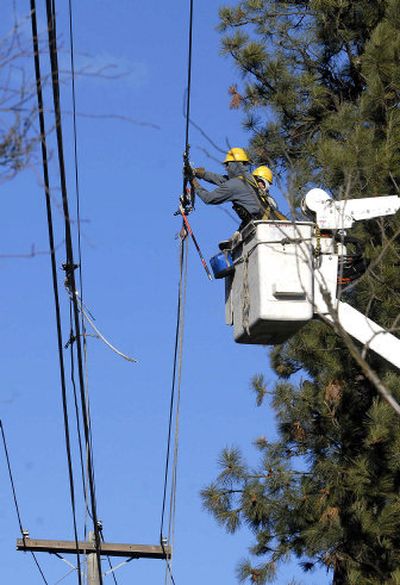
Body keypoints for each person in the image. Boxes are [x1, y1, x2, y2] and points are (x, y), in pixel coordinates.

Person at [190, 147, 282, 229]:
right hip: (269, 226)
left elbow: (208, 198)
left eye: (227, 165)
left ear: (234, 164)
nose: (226, 168)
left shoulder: (236, 184)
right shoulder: (249, 180)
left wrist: (194, 183)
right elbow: (221, 179)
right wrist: (201, 173)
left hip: (264, 228)